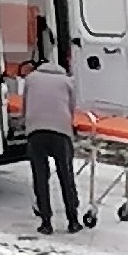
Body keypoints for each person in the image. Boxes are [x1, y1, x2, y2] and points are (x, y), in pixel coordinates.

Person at [21, 50, 82, 234]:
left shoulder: (31, 79)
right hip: (60, 133)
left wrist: (27, 123)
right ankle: (73, 221)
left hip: (36, 132)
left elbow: (25, 106)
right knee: (66, 175)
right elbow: (72, 109)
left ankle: (46, 222)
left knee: (41, 177)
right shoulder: (67, 81)